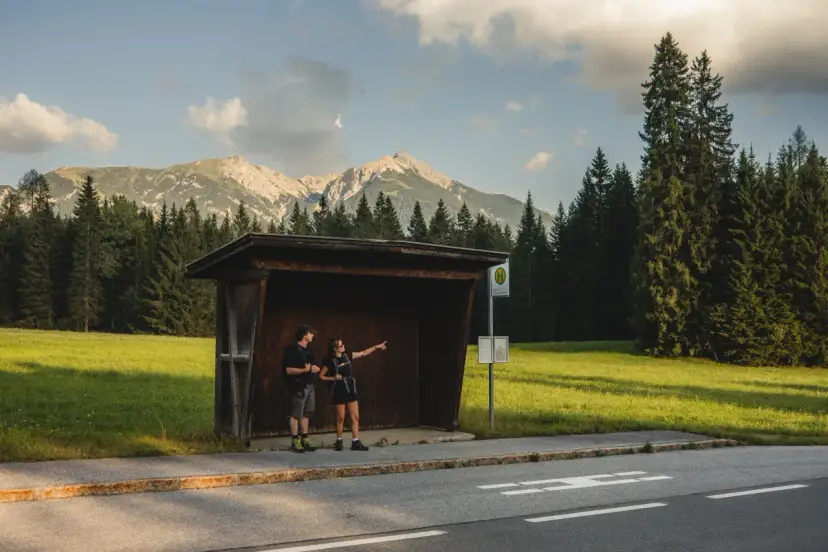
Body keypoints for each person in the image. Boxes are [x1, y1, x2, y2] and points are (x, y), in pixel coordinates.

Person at [319, 336, 387, 451]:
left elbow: (363, 353)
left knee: (355, 416)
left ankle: (356, 442)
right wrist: (333, 378)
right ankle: (339, 440)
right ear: (335, 349)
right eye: (341, 346)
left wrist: (376, 347)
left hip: (350, 389)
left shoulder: (347, 355)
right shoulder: (329, 360)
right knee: (340, 417)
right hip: (339, 389)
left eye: (343, 344)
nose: (343, 346)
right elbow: (321, 376)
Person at [282, 325, 321, 453]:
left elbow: (313, 367)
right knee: (295, 413)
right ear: (304, 335)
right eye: (311, 333)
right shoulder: (292, 350)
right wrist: (304, 370)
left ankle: (304, 438)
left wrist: (316, 369)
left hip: (310, 385)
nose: (313, 336)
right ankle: (295, 440)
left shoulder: (309, 351)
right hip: (298, 386)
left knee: (307, 413)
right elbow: (288, 370)